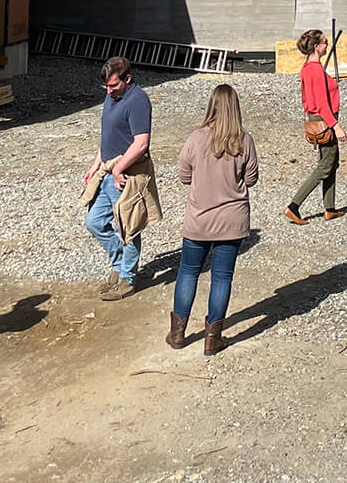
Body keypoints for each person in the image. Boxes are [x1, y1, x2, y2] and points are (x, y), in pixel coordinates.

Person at [170, 83, 259, 355]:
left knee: (188, 272)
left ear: (212, 106)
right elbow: (252, 179)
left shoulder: (196, 138)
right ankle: (212, 338)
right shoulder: (244, 140)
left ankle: (177, 333)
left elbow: (184, 176)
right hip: (232, 221)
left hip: (199, 219)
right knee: (222, 278)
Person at [81, 56, 158, 301]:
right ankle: (118, 265)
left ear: (127, 78)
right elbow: (108, 134)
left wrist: (118, 169)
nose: (108, 90)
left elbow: (141, 143)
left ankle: (127, 278)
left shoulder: (138, 101)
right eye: (105, 87)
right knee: (94, 221)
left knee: (128, 227)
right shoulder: (111, 96)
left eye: (113, 86)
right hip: (107, 170)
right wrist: (96, 165)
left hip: (127, 174)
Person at [284, 28, 343, 224]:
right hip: (324, 121)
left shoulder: (306, 68)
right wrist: (335, 126)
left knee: (331, 162)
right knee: (325, 166)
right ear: (317, 47)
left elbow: (306, 100)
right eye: (325, 42)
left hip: (314, 120)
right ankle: (294, 206)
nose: (327, 45)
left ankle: (330, 208)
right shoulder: (316, 71)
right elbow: (322, 103)